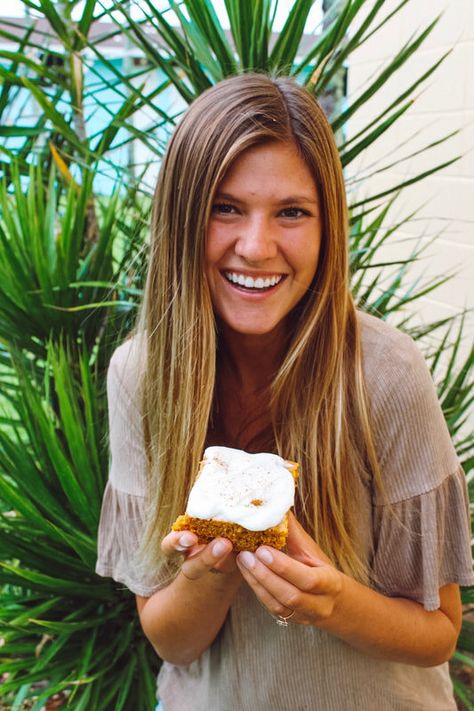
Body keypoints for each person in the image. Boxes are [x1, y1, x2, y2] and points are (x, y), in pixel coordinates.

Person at [95, 73, 473, 711]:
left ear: (329, 227)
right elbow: (173, 643)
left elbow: (438, 633)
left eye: (291, 212)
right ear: (183, 218)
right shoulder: (141, 374)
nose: (256, 247)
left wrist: (333, 603)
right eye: (225, 207)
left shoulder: (384, 374)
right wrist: (208, 572)